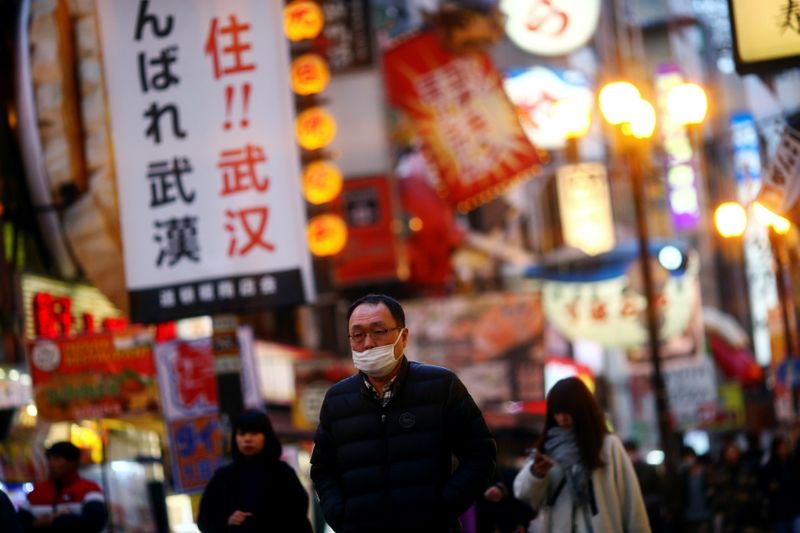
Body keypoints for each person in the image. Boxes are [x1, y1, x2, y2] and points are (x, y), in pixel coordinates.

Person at [311, 293, 497, 532]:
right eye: (357, 335)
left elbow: (481, 453)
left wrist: (442, 509)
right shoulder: (337, 399)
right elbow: (322, 469)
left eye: (378, 331)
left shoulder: (440, 386)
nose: (367, 343)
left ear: (403, 336)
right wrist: (341, 516)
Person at [513, 377, 651, 533]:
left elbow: (630, 500)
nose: (562, 418)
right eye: (557, 412)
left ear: (582, 410)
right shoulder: (547, 448)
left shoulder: (607, 445)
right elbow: (523, 494)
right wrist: (536, 474)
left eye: (568, 412)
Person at [197, 409, 312, 533]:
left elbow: (298, 515)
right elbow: (204, 520)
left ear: (266, 436)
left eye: (254, 433)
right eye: (242, 433)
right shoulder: (223, 478)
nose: (247, 439)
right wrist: (228, 520)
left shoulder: (282, 473)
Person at [17, 441, 107, 532]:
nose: (51, 463)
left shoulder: (89, 489)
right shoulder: (37, 491)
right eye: (49, 458)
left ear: (72, 462)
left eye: (56, 458)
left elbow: (94, 523)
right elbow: (20, 522)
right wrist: (35, 523)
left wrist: (60, 521)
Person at [760, 434, 800, 533]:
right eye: (782, 447)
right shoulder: (770, 466)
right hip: (778, 510)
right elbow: (766, 485)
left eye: (786, 446)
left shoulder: (794, 463)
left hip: (795, 507)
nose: (785, 449)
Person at [624, 439, 666, 533]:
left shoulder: (648, 469)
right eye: (627, 452)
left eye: (631, 451)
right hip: (633, 514)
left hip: (651, 512)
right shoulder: (623, 473)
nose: (630, 455)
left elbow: (659, 489)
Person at [676, 446, 713, 533]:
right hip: (688, 515)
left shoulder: (705, 472)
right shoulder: (683, 476)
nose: (687, 460)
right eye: (684, 458)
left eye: (689, 456)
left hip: (705, 514)